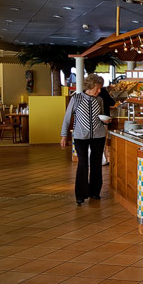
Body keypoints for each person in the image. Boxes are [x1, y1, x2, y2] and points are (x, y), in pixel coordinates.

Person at [60, 74, 107, 205]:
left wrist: (105, 121)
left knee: (96, 164)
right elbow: (67, 118)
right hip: (80, 136)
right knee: (82, 163)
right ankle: (80, 195)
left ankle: (95, 192)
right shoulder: (76, 98)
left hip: (98, 135)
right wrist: (64, 136)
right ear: (90, 86)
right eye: (98, 88)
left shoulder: (99, 100)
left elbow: (101, 116)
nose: (99, 90)